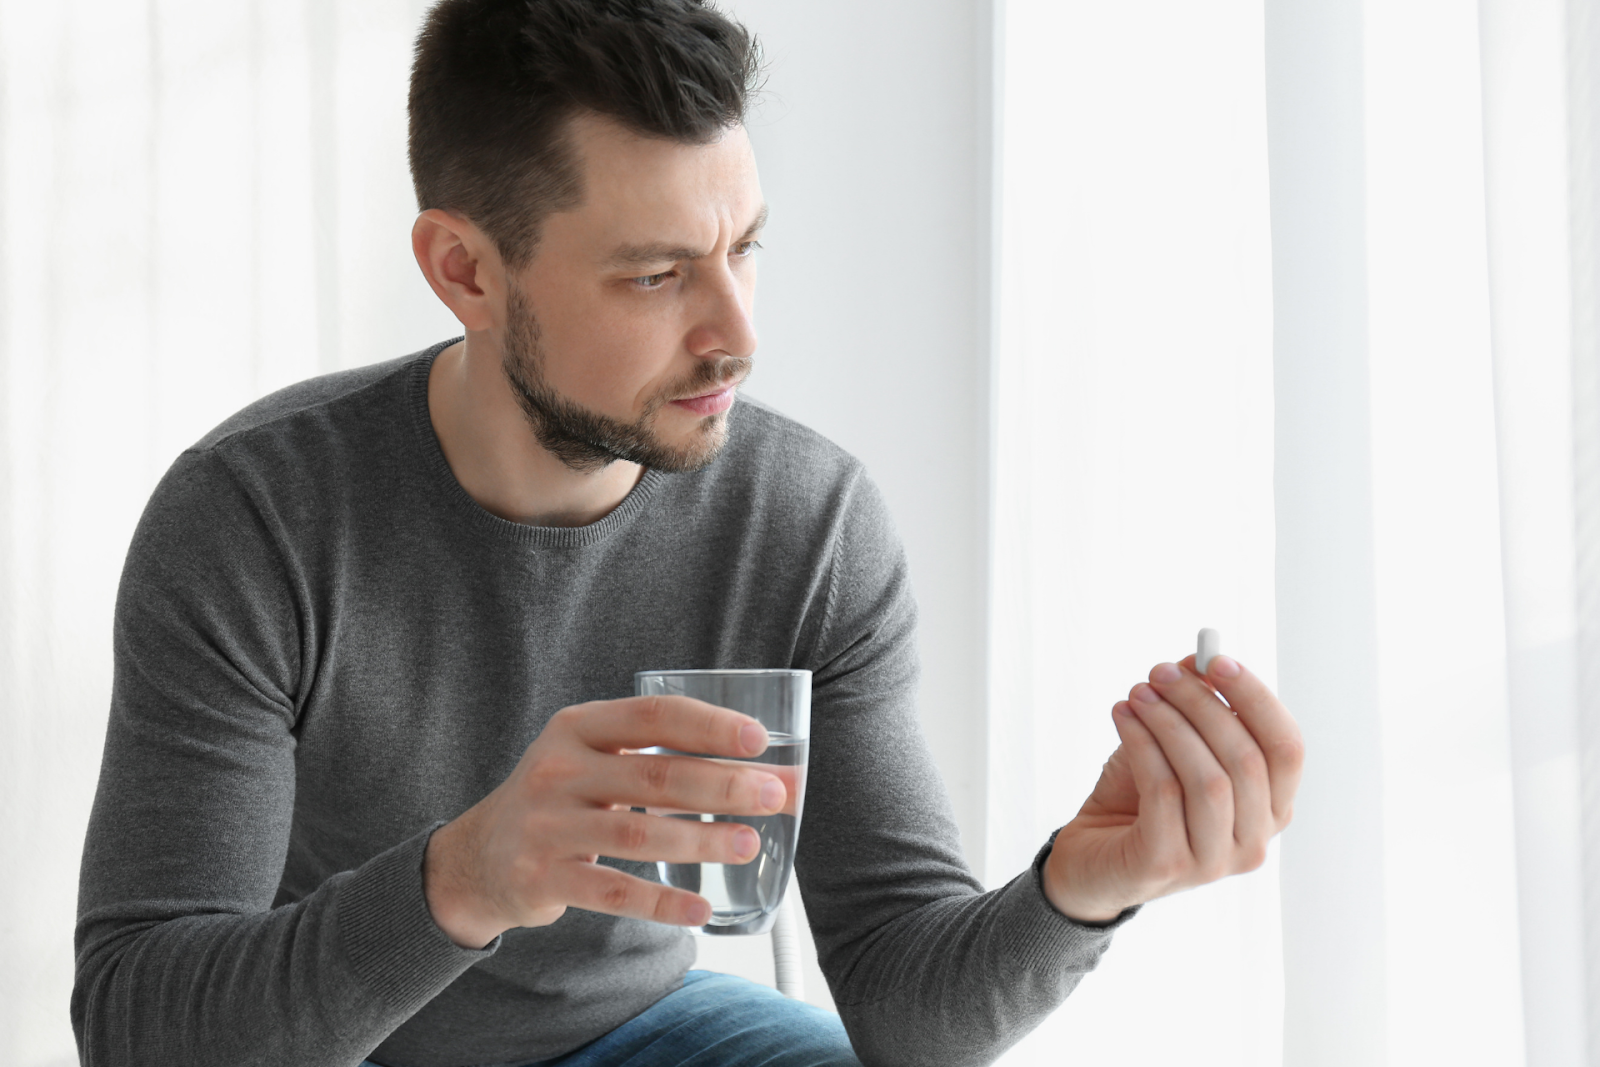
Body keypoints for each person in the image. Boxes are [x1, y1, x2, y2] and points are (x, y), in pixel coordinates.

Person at [71, 1, 1305, 1065]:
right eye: (657, 275)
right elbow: (138, 1021)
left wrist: (1082, 887)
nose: (737, 334)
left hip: (652, 1029)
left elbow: (902, 1001)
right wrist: (468, 872)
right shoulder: (252, 518)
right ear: (465, 271)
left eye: (745, 247)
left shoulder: (807, 523)